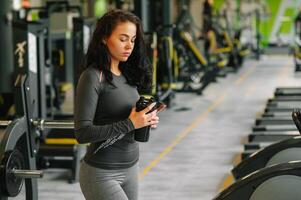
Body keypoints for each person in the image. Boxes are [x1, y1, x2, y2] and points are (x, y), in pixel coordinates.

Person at [74, 9, 160, 200]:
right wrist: (131, 124)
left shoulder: (127, 74)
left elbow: (129, 119)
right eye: (123, 39)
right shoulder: (93, 77)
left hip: (130, 168)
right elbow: (82, 133)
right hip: (101, 173)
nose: (129, 45)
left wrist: (146, 120)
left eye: (133, 39)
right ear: (104, 38)